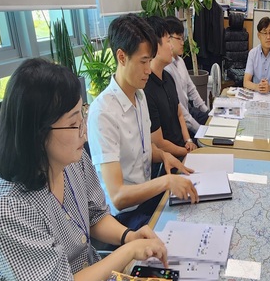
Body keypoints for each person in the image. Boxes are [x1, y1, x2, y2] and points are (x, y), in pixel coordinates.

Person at [0, 58, 168, 281]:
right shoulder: (5, 208)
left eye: (82, 116)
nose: (84, 132)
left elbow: (95, 215)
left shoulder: (70, 158)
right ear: (38, 135)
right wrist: (126, 252)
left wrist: (129, 237)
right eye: (74, 123)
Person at [88, 14, 198, 231]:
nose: (149, 69)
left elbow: (143, 149)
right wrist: (166, 182)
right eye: (143, 61)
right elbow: (118, 196)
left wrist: (164, 155)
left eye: (150, 61)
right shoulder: (103, 113)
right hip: (125, 217)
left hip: (149, 197)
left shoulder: (139, 96)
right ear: (121, 57)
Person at [144, 16, 197, 159]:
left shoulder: (168, 78)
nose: (172, 46)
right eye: (168, 41)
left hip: (183, 149)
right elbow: (159, 143)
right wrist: (187, 152)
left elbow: (179, 113)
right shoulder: (146, 89)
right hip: (168, 160)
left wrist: (188, 141)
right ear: (155, 46)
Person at [164, 16, 209, 136]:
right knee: (205, 135)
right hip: (179, 120)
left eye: (183, 38)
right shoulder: (165, 69)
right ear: (167, 39)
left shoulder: (180, 61)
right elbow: (181, 112)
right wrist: (199, 129)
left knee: (213, 121)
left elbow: (191, 89)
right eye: (179, 38)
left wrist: (206, 111)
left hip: (189, 110)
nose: (182, 43)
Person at [244, 16, 270, 94]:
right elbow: (246, 82)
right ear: (259, 35)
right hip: (256, 93)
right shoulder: (252, 54)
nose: (268, 37)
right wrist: (257, 87)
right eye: (265, 33)